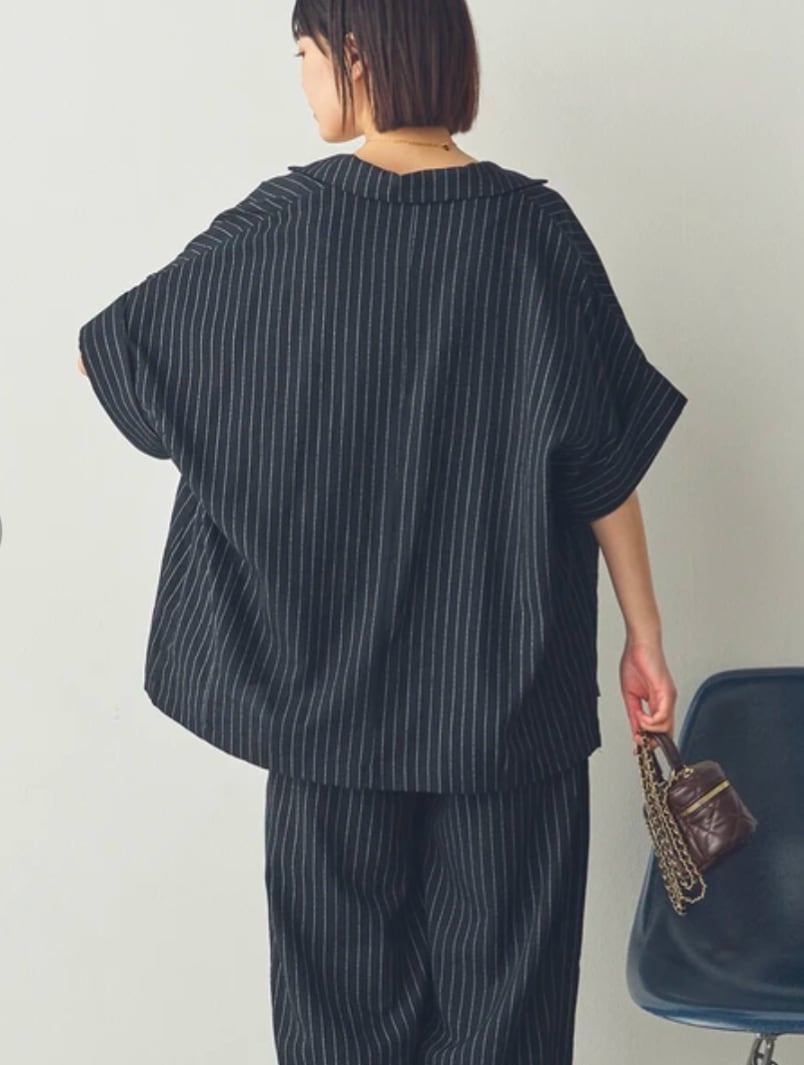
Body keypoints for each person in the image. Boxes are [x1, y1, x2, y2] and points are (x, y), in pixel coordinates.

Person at [77, 1, 687, 1061]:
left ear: (356, 57)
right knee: (507, 1027)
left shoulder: (279, 229)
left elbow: (116, 355)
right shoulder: (536, 233)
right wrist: (645, 636)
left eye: (304, 56)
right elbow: (603, 467)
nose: (302, 81)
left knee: (337, 1030)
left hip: (326, 719)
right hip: (511, 711)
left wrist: (267, 438)